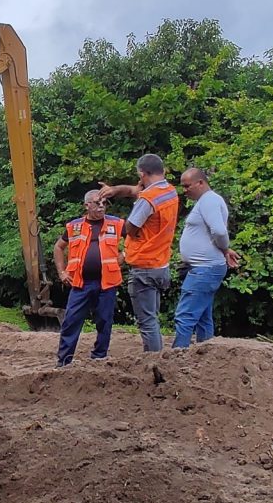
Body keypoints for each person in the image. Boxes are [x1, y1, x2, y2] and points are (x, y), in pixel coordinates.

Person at [98, 153, 179, 352]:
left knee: (147, 322)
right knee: (152, 318)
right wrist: (114, 190)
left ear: (142, 174)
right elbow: (134, 190)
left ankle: (153, 361)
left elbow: (130, 228)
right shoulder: (170, 192)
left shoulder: (148, 199)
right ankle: (157, 357)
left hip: (144, 267)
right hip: (160, 265)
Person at [52, 190, 125, 366]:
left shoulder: (116, 223)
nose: (101, 206)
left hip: (107, 282)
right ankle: (64, 361)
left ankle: (99, 358)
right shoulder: (74, 226)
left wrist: (125, 254)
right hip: (80, 283)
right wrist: (62, 272)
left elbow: (137, 238)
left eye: (104, 203)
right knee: (71, 321)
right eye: (97, 203)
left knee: (105, 321)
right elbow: (58, 247)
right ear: (87, 205)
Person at [172, 168, 240, 348]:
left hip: (205, 268)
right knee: (202, 316)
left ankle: (177, 355)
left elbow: (219, 231)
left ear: (200, 183)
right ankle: (206, 355)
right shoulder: (207, 201)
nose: (184, 190)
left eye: (187, 186)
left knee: (185, 315)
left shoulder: (209, 200)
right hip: (204, 267)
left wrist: (224, 248)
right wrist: (225, 250)